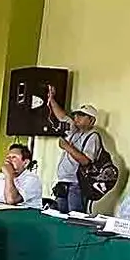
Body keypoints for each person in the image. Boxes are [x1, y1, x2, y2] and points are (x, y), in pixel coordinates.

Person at [46, 84, 101, 213]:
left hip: (77, 184)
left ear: (91, 120)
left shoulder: (93, 136)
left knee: (75, 218)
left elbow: (86, 161)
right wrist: (51, 98)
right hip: (64, 181)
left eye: (81, 116)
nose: (76, 118)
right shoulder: (74, 131)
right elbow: (62, 116)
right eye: (76, 115)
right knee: (60, 216)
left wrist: (67, 147)